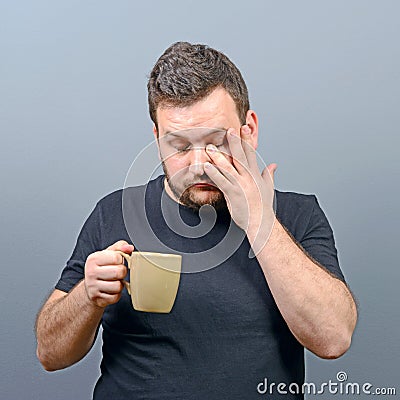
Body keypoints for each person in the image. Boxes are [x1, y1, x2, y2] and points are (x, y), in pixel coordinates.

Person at [35, 42, 357, 399]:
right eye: (180, 146)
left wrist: (259, 221)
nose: (200, 162)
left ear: (248, 129)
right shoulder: (113, 212)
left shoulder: (299, 215)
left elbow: (333, 338)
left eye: (217, 141)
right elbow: (50, 354)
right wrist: (87, 297)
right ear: (157, 138)